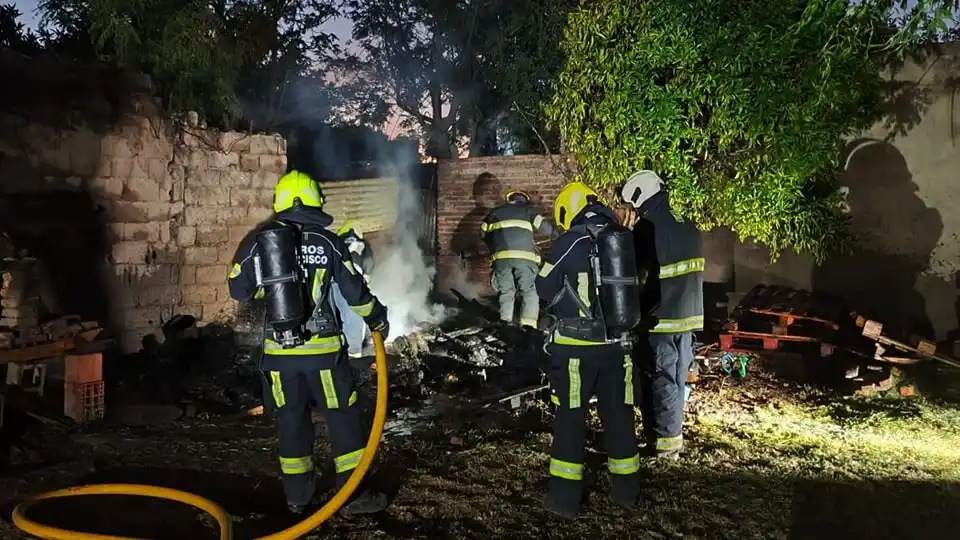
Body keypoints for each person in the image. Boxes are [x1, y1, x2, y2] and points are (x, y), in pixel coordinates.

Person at [228, 170, 391, 515]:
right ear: (315, 201)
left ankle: (298, 498)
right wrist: (377, 319)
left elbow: (238, 290)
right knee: (341, 417)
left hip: (279, 356)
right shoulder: (328, 241)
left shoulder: (258, 241)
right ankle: (352, 497)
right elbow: (354, 292)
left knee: (291, 420)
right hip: (324, 356)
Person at [535, 181, 641, 519]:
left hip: (576, 351)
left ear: (569, 208)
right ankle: (627, 494)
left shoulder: (571, 239)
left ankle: (564, 499)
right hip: (619, 348)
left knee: (570, 419)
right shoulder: (623, 236)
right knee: (620, 417)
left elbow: (543, 285)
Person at [621, 170, 704, 460]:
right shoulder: (687, 222)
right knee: (677, 378)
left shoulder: (648, 227)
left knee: (662, 379)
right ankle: (671, 435)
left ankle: (666, 447)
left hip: (662, 318)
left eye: (634, 206)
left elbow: (632, 272)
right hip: (690, 317)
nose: (634, 212)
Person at [481, 189, 557, 328]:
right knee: (529, 291)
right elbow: (547, 229)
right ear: (525, 201)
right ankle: (528, 329)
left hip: (501, 260)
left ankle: (505, 326)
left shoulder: (493, 213)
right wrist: (558, 236)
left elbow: (483, 234)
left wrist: (496, 248)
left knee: (506, 292)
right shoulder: (528, 211)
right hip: (525, 260)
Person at [332, 220, 375, 359]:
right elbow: (369, 264)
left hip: (333, 283)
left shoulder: (336, 243)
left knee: (336, 316)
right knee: (356, 316)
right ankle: (354, 354)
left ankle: (338, 350)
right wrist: (366, 281)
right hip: (353, 284)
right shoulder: (363, 245)